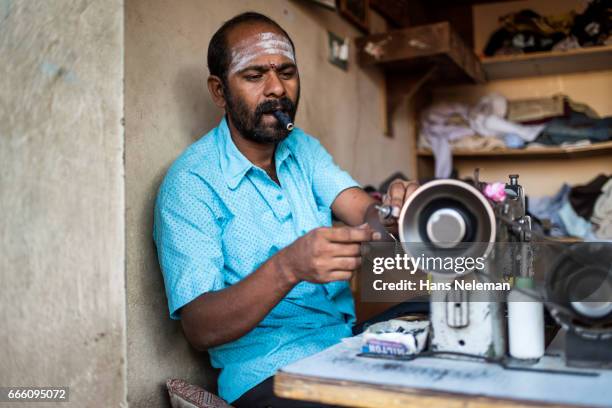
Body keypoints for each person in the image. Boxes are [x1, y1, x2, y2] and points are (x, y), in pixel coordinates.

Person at [153, 11, 417, 407]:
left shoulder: (301, 149)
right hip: (272, 377)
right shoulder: (191, 183)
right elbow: (200, 328)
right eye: (255, 75)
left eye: (287, 72)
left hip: (345, 346)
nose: (277, 89)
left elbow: (367, 216)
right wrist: (288, 267)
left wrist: (400, 211)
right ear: (219, 91)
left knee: (449, 310)